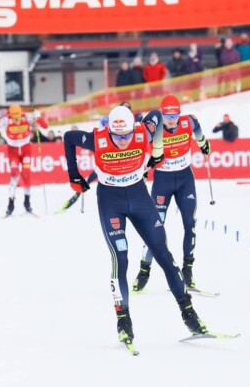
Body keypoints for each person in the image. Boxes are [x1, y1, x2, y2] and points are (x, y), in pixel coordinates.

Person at [63, 105, 208, 349]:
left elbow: (158, 116)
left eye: (127, 135)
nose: (122, 141)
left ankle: (189, 314)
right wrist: (73, 174)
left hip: (139, 197)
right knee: (121, 258)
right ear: (109, 130)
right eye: (117, 136)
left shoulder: (143, 131)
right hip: (111, 201)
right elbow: (69, 138)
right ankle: (124, 322)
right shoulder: (97, 139)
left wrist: (158, 150)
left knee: (163, 254)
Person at [132, 94, 212, 292]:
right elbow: (139, 144)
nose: (171, 119)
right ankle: (144, 271)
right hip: (162, 181)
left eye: (175, 115)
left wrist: (203, 144)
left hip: (185, 179)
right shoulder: (154, 128)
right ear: (161, 114)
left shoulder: (189, 122)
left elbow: (199, 134)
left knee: (190, 224)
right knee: (155, 227)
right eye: (167, 115)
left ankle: (188, 271)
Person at [0, 104, 48, 216]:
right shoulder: (6, 120)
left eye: (17, 116)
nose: (16, 119)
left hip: (26, 149)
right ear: (10, 114)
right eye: (13, 116)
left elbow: (45, 126)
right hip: (13, 151)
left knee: (26, 174)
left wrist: (38, 117)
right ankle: (10, 203)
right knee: (15, 174)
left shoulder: (26, 117)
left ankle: (27, 202)